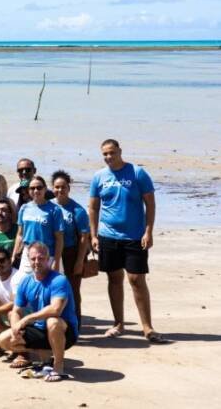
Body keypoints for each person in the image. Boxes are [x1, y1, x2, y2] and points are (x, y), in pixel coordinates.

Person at [88, 139, 166, 343]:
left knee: (136, 280)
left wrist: (148, 231)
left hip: (134, 236)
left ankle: (147, 327)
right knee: (114, 279)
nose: (108, 157)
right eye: (104, 154)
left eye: (111, 153)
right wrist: (94, 235)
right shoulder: (99, 177)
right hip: (108, 236)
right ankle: (118, 324)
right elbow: (93, 208)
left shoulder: (137, 173)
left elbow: (150, 204)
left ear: (120, 151)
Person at [0, 242, 78, 382]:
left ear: (48, 260)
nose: (37, 262)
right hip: (40, 329)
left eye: (41, 258)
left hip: (65, 331)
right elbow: (16, 310)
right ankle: (45, 358)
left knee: (52, 321)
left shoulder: (59, 280)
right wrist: (16, 329)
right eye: (33, 258)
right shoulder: (26, 281)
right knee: (3, 340)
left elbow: (56, 309)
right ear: (28, 260)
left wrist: (27, 319)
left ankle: (58, 366)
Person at [51, 170, 90, 326]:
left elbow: (83, 238)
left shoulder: (77, 210)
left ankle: (75, 324)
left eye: (63, 187)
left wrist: (80, 261)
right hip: (52, 253)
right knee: (52, 289)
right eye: (57, 187)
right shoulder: (49, 205)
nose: (60, 190)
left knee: (72, 291)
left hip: (71, 253)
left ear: (69, 188)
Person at [13, 176, 64, 279]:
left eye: (39, 187)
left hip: (47, 255)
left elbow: (59, 238)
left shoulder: (55, 210)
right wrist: (14, 254)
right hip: (28, 254)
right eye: (32, 188)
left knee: (49, 286)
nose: (36, 191)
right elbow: (20, 234)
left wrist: (57, 261)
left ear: (45, 189)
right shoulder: (24, 208)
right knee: (24, 283)